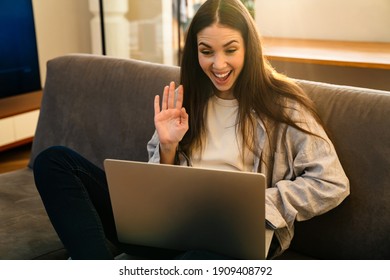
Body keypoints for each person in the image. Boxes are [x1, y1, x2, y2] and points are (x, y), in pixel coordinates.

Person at [33, 0, 349, 260]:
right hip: (170, 227)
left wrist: (259, 203)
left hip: (231, 239)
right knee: (55, 162)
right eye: (206, 51)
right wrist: (168, 146)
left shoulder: (282, 104)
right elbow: (154, 192)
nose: (219, 64)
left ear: (249, 48)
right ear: (194, 51)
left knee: (194, 261)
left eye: (230, 49)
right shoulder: (188, 99)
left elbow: (331, 181)